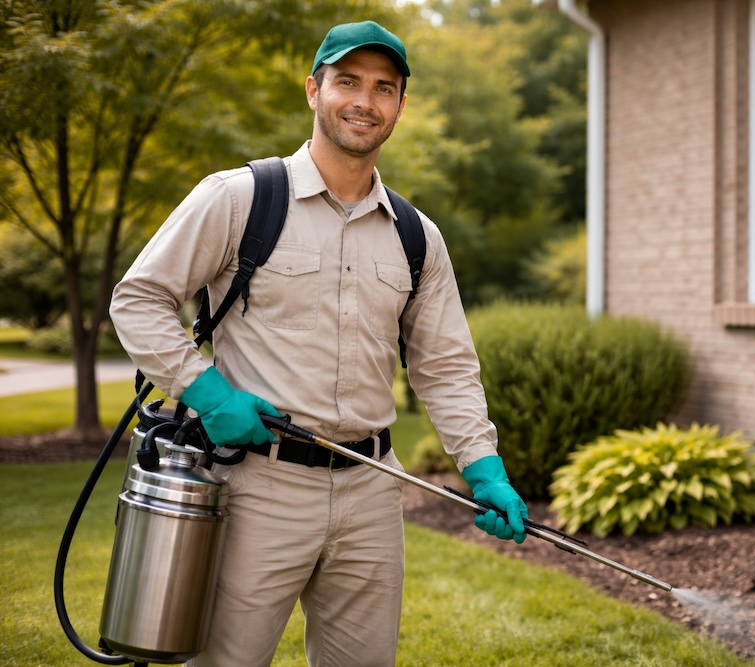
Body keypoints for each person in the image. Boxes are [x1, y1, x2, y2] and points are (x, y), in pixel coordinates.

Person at [109, 20, 528, 667]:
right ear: (313, 90)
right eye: (348, 82)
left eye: (384, 88)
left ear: (400, 106)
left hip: (372, 493)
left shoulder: (417, 236)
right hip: (256, 487)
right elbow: (138, 299)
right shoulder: (240, 198)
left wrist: (483, 467)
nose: (365, 101)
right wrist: (208, 392)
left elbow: (445, 366)